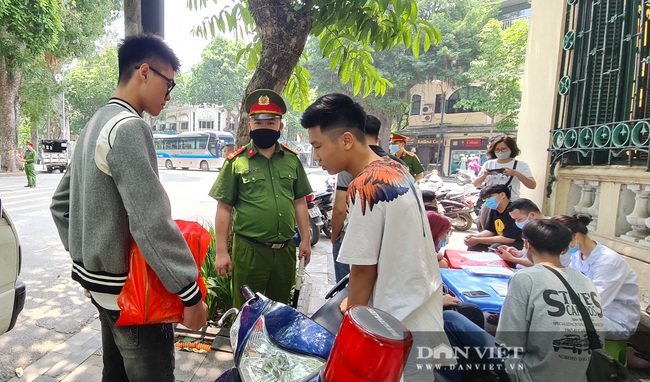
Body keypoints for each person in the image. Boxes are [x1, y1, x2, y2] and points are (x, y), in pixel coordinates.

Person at [49, 34, 207, 381]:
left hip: (104, 293)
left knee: (115, 375)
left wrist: (85, 264)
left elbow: (61, 205)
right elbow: (151, 222)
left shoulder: (95, 123)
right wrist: (191, 295)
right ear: (145, 72)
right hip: (135, 296)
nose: (169, 96)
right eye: (169, 84)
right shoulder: (129, 126)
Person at [301, 93, 451, 380]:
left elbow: (363, 271)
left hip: (395, 325)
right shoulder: (397, 169)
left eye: (318, 146)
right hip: (421, 311)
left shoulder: (365, 186)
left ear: (346, 140)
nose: (316, 156)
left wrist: (350, 329)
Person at [209, 89, 312, 308]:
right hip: (250, 252)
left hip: (285, 251)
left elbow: (300, 201)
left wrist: (304, 239)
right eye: (258, 123)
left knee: (279, 312)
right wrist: (221, 252)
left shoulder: (292, 160)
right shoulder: (236, 162)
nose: (264, 128)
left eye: (271, 123)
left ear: (280, 127)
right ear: (250, 126)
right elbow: (224, 208)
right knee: (246, 311)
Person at [496, 220, 605, 382]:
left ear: (526, 244)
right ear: (566, 249)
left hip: (531, 375)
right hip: (583, 375)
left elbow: (509, 341)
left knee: (456, 322)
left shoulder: (525, 278)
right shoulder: (585, 281)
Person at [552, 214, 640, 363]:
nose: (561, 250)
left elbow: (594, 304)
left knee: (557, 323)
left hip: (614, 319)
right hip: (591, 312)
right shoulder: (577, 256)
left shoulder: (608, 262)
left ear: (576, 237)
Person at [330, 115, 404, 282]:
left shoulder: (349, 164)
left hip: (354, 238)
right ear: (378, 137)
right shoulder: (399, 165)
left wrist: (336, 237)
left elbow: (340, 209)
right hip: (388, 239)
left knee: (345, 290)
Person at [473, 135, 536, 230]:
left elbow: (532, 185)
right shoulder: (489, 164)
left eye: (504, 149)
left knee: (508, 231)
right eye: (497, 149)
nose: (500, 152)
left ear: (511, 149)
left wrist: (516, 173)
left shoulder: (520, 165)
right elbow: (476, 183)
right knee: (487, 229)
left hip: (511, 204)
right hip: (492, 204)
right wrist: (485, 175)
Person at [464, 184, 523, 252]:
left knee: (495, 247)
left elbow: (509, 239)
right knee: (475, 244)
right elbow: (490, 230)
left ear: (502, 195)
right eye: (485, 198)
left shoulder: (513, 211)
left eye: (489, 197)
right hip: (502, 240)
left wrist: (477, 239)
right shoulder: (494, 210)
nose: (487, 201)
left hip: (517, 244)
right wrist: (476, 236)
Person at [496, 198, 551, 268]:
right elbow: (526, 252)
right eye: (515, 220)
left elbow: (540, 263)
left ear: (532, 215)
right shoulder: (532, 227)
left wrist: (512, 259)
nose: (517, 223)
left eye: (519, 219)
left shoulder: (549, 231)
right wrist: (517, 253)